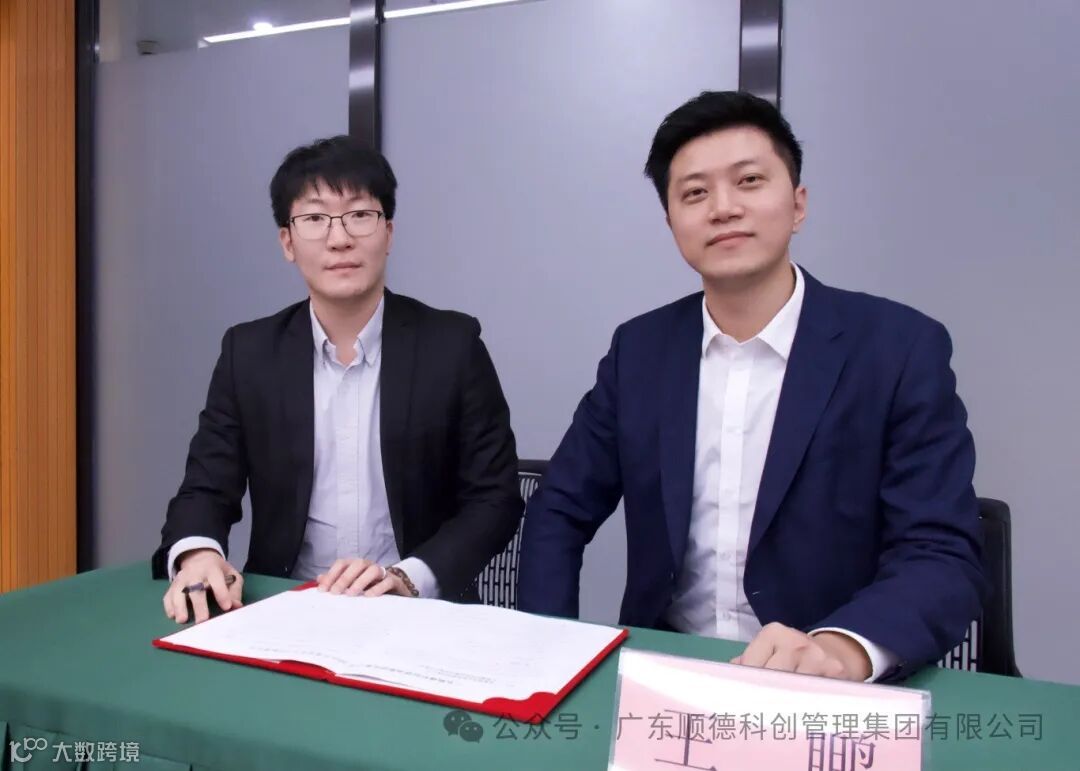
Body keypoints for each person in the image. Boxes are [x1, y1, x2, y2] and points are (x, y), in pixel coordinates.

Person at [517, 91, 985, 682]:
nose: (724, 208)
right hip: (668, 673)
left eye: (749, 181)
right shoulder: (640, 350)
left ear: (798, 204)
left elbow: (940, 551)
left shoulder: (897, 348)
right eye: (695, 193)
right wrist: (550, 652)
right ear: (671, 223)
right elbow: (560, 507)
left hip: (824, 684)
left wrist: (841, 649)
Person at [154, 135, 523, 624]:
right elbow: (206, 486)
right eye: (315, 219)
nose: (339, 238)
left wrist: (408, 578)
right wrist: (199, 553)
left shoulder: (452, 346)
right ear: (287, 242)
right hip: (284, 606)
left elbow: (495, 499)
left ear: (388, 232)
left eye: (359, 215)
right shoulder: (250, 353)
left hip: (417, 613)